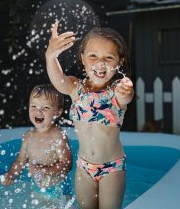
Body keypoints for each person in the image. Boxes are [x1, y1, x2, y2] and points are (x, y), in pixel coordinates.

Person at [46, 21, 134, 209]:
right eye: (93, 55)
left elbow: (126, 97)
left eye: (109, 57)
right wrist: (51, 56)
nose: (100, 63)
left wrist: (127, 91)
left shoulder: (116, 91)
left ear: (120, 62)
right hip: (83, 167)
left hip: (112, 168)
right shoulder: (76, 88)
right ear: (83, 58)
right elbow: (58, 81)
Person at [1, 84, 73, 204]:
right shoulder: (28, 137)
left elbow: (67, 164)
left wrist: (47, 170)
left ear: (58, 112)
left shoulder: (58, 136)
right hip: (38, 189)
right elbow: (20, 162)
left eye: (45, 108)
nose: (38, 111)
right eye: (33, 106)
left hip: (59, 189)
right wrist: (11, 174)